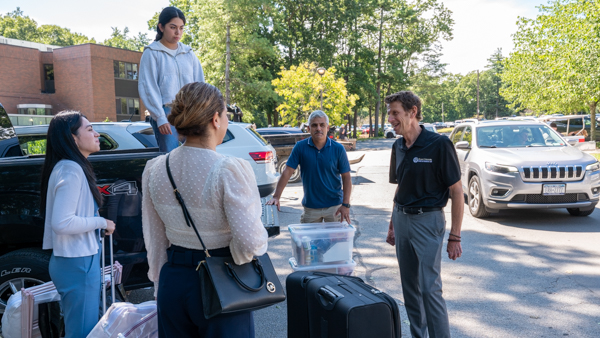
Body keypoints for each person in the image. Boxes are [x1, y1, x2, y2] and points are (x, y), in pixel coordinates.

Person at [142, 82, 268, 337]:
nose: (228, 123)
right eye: (226, 116)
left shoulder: (155, 169)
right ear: (215, 119)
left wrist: (159, 282)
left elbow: (155, 239)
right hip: (220, 280)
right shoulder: (228, 169)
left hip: (172, 281)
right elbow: (250, 242)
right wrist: (232, 258)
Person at [385, 91, 463, 338]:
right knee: (410, 289)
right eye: (389, 113)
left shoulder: (439, 144)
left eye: (395, 113)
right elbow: (402, 186)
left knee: (430, 288)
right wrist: (392, 223)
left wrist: (455, 237)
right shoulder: (398, 146)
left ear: (412, 112)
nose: (390, 119)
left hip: (428, 221)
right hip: (401, 218)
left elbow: (457, 192)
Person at [40, 111, 116, 338]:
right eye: (90, 129)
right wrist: (101, 221)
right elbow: (62, 223)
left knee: (83, 327)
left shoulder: (68, 167)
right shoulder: (71, 169)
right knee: (83, 332)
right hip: (77, 263)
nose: (97, 134)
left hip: (76, 261)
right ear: (73, 138)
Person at [138, 6, 205, 152]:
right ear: (161, 27)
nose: (178, 32)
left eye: (181, 28)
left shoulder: (188, 53)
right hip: (166, 112)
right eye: (173, 27)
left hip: (190, 111)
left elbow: (200, 84)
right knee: (170, 157)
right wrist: (160, 117)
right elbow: (148, 87)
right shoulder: (152, 53)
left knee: (197, 152)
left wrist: (200, 111)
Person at [267, 110, 352, 224]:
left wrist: (345, 205)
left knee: (336, 241)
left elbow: (346, 177)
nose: (318, 128)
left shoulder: (338, 149)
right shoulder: (300, 147)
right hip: (311, 208)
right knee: (307, 241)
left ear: (327, 127)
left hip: (334, 207)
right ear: (308, 128)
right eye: (314, 125)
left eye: (322, 125)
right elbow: (287, 172)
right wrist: (276, 197)